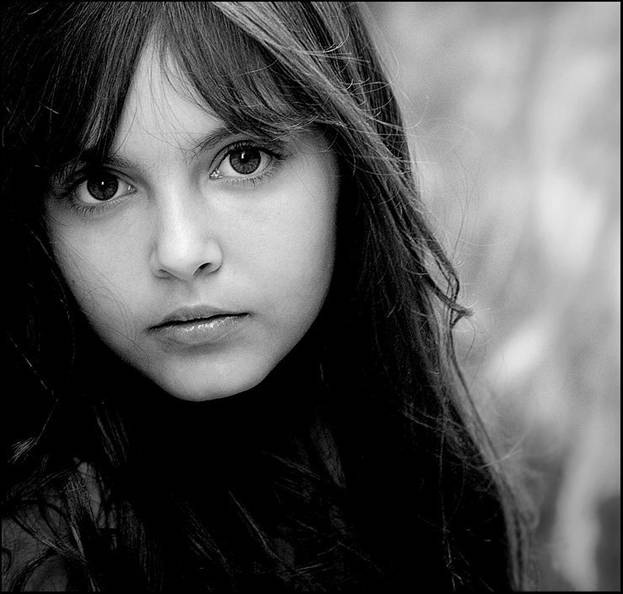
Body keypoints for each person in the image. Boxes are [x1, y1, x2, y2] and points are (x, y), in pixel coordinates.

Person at [1, 2, 529, 591]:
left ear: (348, 164)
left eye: (242, 159)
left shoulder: (419, 476)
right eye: (102, 185)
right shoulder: (42, 552)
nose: (180, 251)